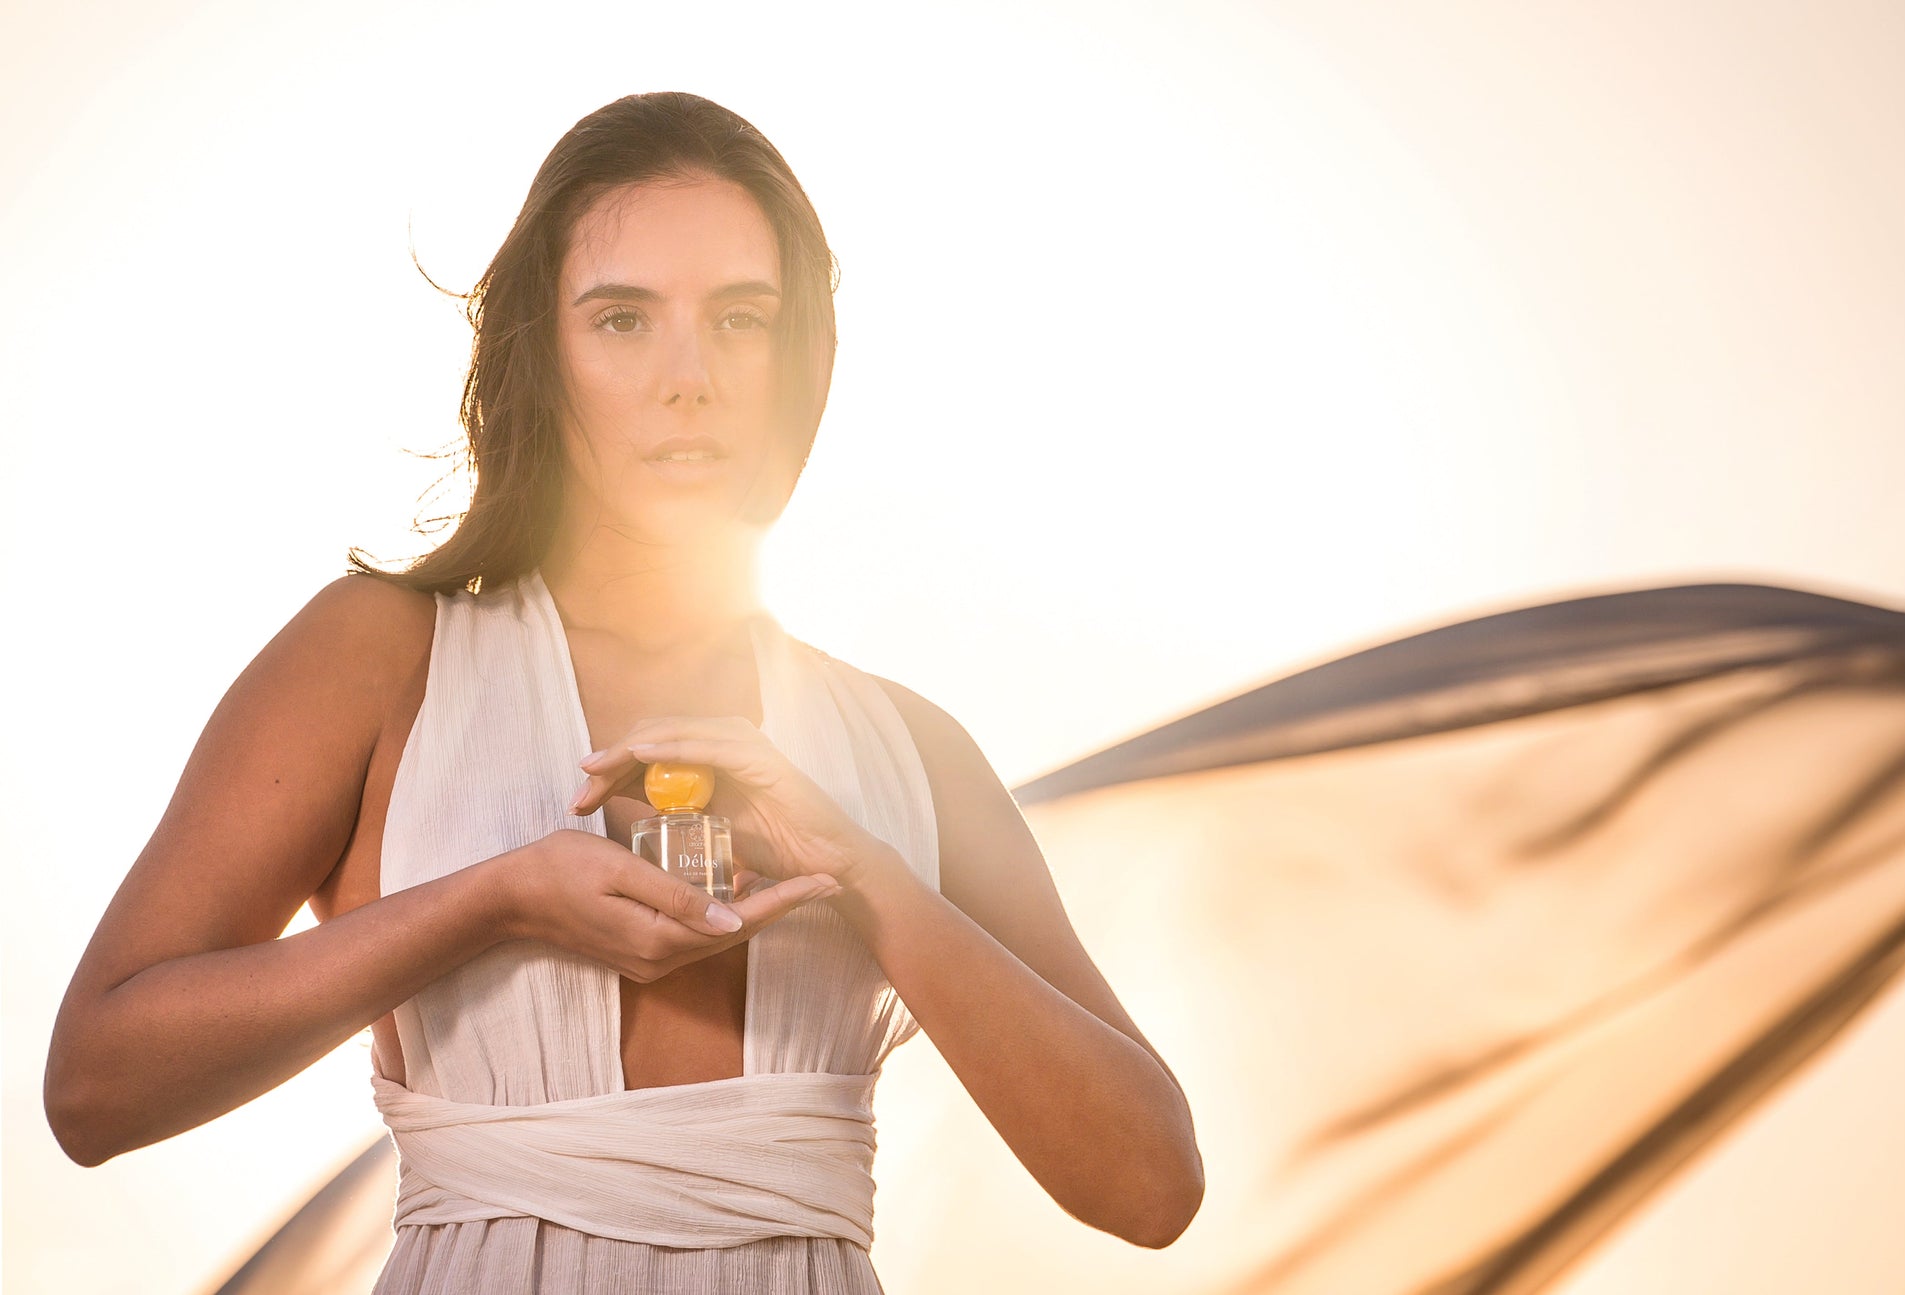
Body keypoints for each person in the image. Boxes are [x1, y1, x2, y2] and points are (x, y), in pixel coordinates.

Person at [44, 90, 1204, 1290]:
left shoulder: (908, 751)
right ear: (542, 354)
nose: (687, 377)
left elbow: (1150, 1184)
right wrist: (493, 898)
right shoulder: (382, 657)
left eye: (741, 318)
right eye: (622, 319)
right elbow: (94, 1087)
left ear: (802, 351)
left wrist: (863, 874)